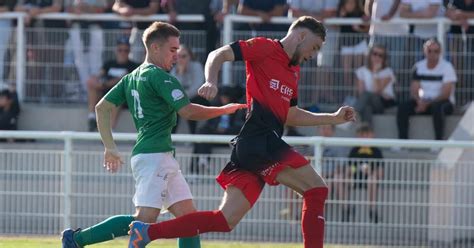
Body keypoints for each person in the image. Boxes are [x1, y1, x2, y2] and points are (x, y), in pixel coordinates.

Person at [129, 16, 356, 248]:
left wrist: (333, 118)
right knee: (316, 189)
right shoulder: (265, 47)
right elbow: (217, 54)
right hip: (260, 140)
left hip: (255, 147)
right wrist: (211, 81)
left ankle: (146, 233)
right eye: (315, 47)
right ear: (301, 36)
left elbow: (291, 115)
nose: (314, 54)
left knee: (224, 220)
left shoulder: (293, 71)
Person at [61, 21, 246, 248]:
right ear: (155, 48)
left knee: (188, 220)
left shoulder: (131, 77)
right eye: (172, 50)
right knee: (144, 222)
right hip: (153, 156)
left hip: (158, 155)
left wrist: (110, 147)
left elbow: (101, 108)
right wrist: (224, 109)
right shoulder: (161, 77)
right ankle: (76, 240)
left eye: (178, 50)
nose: (176, 56)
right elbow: (188, 111)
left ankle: (75, 239)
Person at [396, 38, 457, 140]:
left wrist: (427, 103)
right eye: (429, 51)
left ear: (440, 52)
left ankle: (438, 142)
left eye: (436, 51)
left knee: (438, 108)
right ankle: (402, 141)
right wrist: (419, 101)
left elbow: (446, 94)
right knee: (403, 108)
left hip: (442, 103)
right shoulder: (418, 66)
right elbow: (415, 90)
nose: (432, 53)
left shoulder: (447, 67)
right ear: (424, 51)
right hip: (423, 102)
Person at [86, 37, 139, 132]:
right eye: (120, 50)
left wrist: (104, 84)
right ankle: (91, 117)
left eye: (126, 50)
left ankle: (109, 131)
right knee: (92, 85)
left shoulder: (133, 66)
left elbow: (123, 80)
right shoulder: (109, 63)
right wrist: (94, 80)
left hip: (123, 96)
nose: (123, 53)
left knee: (117, 96)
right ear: (116, 50)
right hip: (105, 91)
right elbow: (98, 75)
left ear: (129, 51)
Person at [190, 86, 245, 175]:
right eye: (222, 97)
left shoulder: (236, 108)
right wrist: (216, 128)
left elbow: (239, 125)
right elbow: (210, 123)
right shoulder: (216, 106)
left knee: (237, 133)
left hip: (229, 137)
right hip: (216, 134)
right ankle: (202, 161)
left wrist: (227, 129)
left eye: (226, 98)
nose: (224, 100)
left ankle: (203, 160)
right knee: (202, 133)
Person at [345, 123, 384, 223]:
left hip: (370, 180)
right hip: (355, 179)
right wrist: (356, 169)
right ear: (357, 136)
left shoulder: (376, 151)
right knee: (343, 179)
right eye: (362, 135)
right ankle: (346, 209)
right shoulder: (354, 150)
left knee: (372, 179)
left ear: (372, 135)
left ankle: (372, 210)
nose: (365, 137)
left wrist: (371, 171)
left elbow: (381, 173)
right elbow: (348, 170)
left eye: (367, 135)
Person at [170, 44, 210, 134]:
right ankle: (171, 136)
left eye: (184, 56)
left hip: (196, 97)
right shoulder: (175, 68)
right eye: (178, 56)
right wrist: (180, 72)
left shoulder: (196, 66)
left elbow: (197, 87)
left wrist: (182, 98)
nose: (181, 59)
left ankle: (193, 136)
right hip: (181, 99)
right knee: (172, 108)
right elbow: (173, 88)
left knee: (191, 105)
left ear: (190, 56)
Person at [354, 44, 397, 125]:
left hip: (383, 104)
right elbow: (361, 93)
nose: (377, 57)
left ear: (384, 58)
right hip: (369, 103)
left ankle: (349, 117)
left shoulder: (388, 72)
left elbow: (377, 90)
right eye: (374, 53)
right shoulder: (362, 71)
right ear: (370, 54)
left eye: (380, 55)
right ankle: (367, 132)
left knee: (367, 95)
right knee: (367, 108)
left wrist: (375, 72)